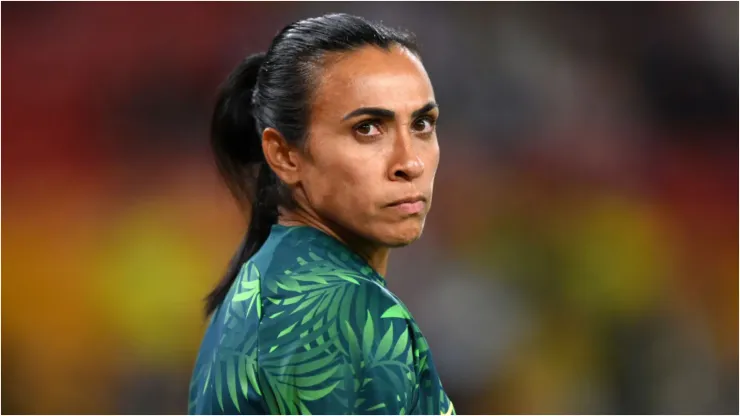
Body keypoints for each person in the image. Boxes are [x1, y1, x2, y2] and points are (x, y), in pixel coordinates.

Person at [188, 13, 454, 415]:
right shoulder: (346, 309)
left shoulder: (261, 282)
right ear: (284, 154)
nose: (409, 163)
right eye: (368, 128)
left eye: (421, 124)